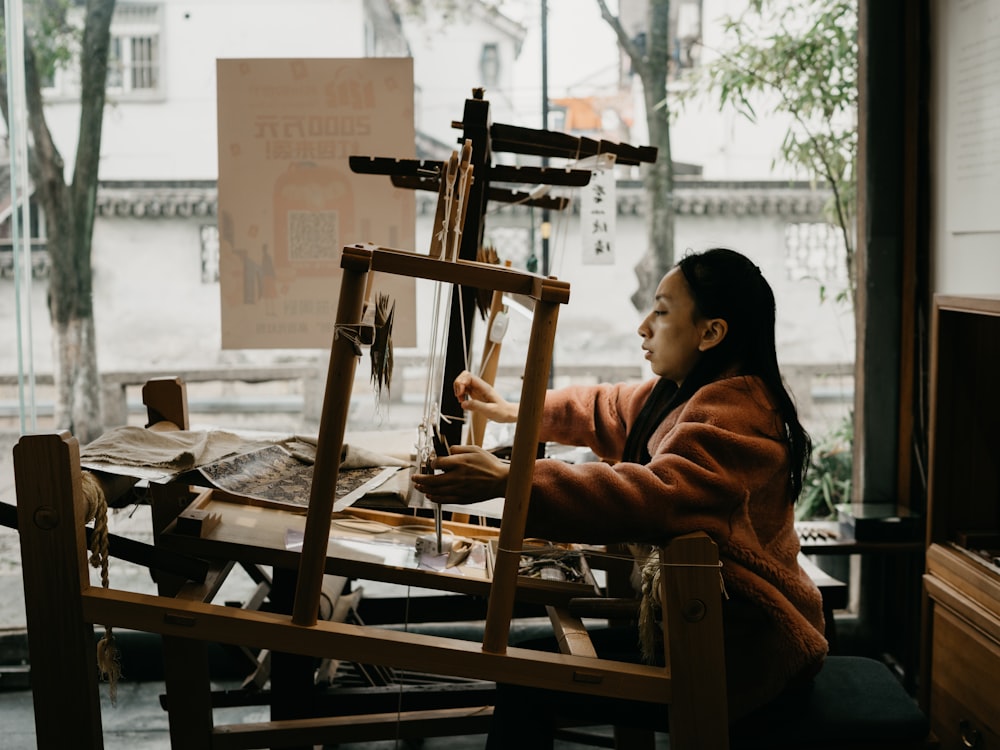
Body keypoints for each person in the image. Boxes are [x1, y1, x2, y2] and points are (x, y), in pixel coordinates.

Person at [411, 247, 828, 745]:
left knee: (528, 676)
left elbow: (654, 494)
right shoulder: (681, 393)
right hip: (693, 629)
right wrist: (511, 409)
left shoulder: (739, 417)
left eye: (662, 311)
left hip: (742, 653)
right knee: (533, 660)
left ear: (711, 333)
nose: (643, 326)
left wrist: (512, 478)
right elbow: (602, 407)